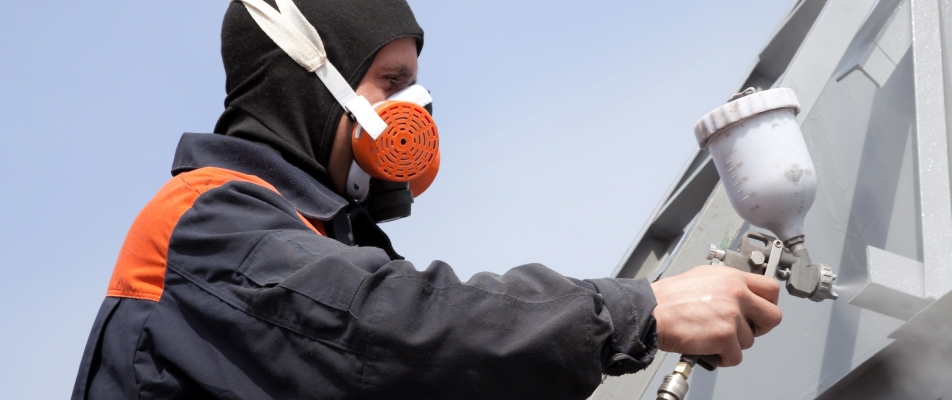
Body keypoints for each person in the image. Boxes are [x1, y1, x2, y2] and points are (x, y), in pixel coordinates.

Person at [71, 1, 782, 399]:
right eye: (390, 80)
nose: (418, 107)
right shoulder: (201, 223)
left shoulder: (313, 242)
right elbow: (395, 325)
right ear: (307, 85)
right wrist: (641, 310)